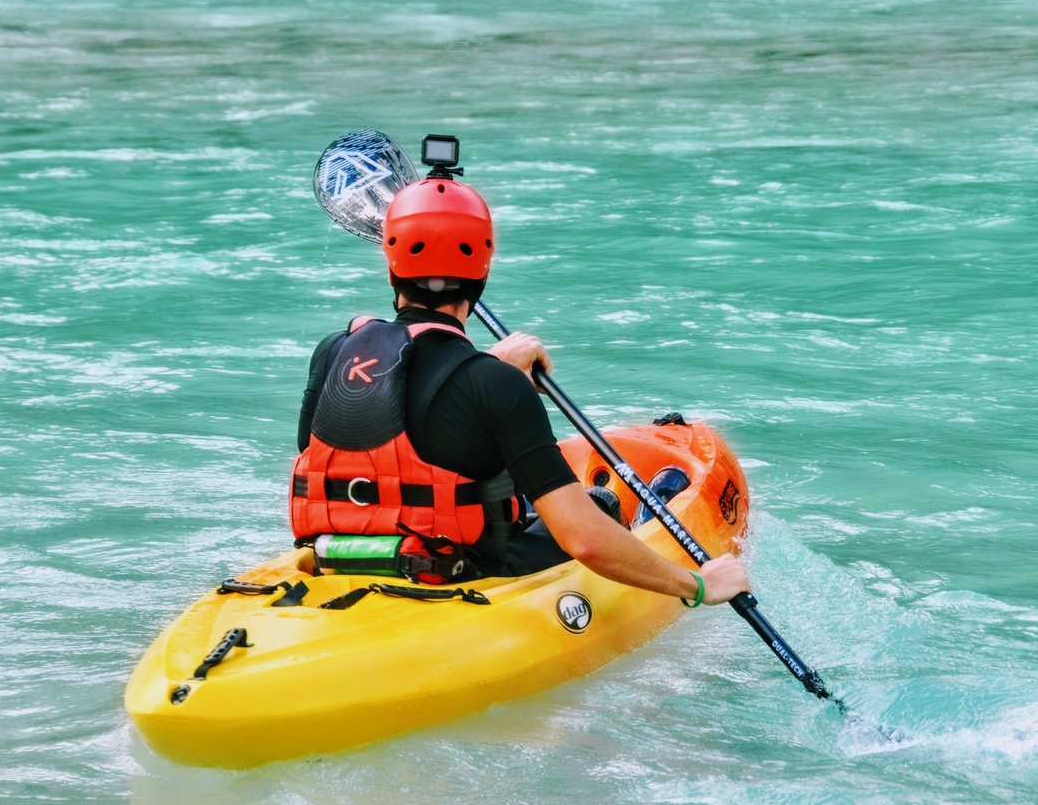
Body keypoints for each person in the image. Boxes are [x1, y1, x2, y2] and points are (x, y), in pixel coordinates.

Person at [292, 173, 750, 604]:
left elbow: (355, 457)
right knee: (601, 506)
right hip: (454, 572)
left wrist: (486, 375)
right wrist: (696, 586)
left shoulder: (333, 352)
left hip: (337, 558)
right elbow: (585, 540)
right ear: (482, 272)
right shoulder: (496, 386)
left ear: (392, 270)